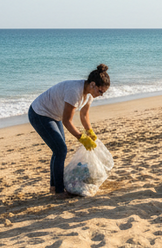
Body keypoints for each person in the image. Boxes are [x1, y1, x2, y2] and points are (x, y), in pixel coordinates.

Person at [28, 65, 110, 196]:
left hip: (55, 115)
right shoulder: (74, 92)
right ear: (93, 84)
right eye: (101, 91)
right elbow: (67, 121)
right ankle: (59, 191)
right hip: (40, 114)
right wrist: (82, 138)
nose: (101, 95)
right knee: (60, 149)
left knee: (59, 150)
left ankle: (54, 187)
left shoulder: (89, 95)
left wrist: (90, 132)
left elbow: (84, 115)